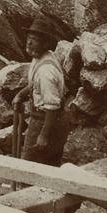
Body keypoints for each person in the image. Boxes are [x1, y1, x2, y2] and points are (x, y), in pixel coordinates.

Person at [20, 23, 67, 164]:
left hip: (45, 121)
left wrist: (43, 136)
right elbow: (35, 84)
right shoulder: (40, 57)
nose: (29, 42)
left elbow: (52, 106)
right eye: (28, 38)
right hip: (43, 118)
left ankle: (25, 185)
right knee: (43, 163)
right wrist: (20, 95)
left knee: (29, 164)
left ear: (45, 43)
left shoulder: (46, 71)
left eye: (34, 39)